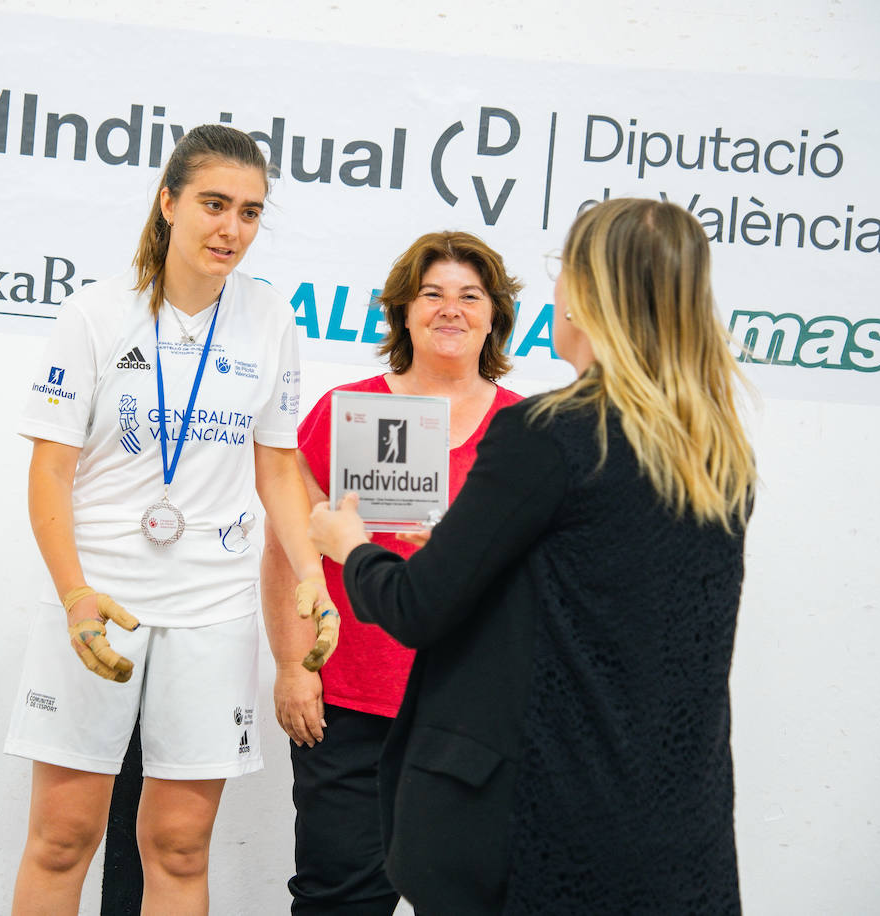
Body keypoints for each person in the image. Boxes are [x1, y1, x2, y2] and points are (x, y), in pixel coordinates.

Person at [308, 198, 758, 915]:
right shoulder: (716, 453)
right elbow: (599, 595)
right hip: (674, 824)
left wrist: (351, 547)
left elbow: (416, 607)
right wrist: (476, 551)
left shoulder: (548, 432)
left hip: (546, 819)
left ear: (583, 294)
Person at [6, 123, 338, 915]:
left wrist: (314, 574)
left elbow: (279, 469)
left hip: (212, 606)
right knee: (62, 836)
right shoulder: (95, 312)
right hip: (99, 602)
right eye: (214, 205)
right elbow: (50, 471)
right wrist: (75, 593)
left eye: (251, 212)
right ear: (168, 202)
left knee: (181, 847)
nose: (232, 229)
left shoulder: (269, 320)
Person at [262, 231, 525, 914]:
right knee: (339, 901)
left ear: (494, 314)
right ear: (403, 312)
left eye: (470, 296)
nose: (450, 309)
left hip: (472, 721)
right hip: (349, 707)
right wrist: (293, 667)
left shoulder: (527, 432)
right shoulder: (343, 413)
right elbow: (287, 551)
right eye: (431, 294)